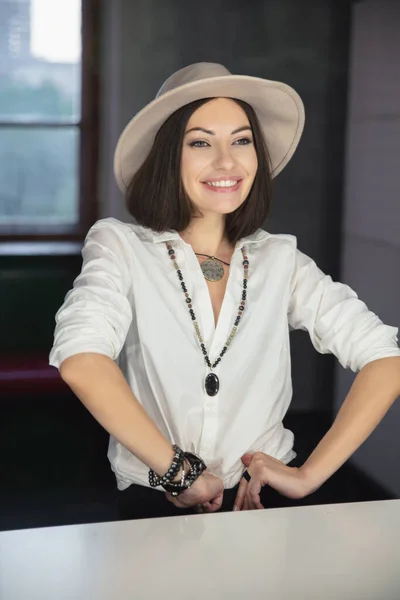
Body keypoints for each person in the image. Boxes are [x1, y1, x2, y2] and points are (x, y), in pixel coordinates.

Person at [49, 63, 400, 520]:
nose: (227, 162)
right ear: (167, 156)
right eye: (200, 142)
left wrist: (310, 475)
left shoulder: (280, 259)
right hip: (155, 501)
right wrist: (179, 472)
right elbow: (82, 360)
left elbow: (387, 358)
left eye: (241, 140)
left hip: (261, 501)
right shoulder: (121, 246)